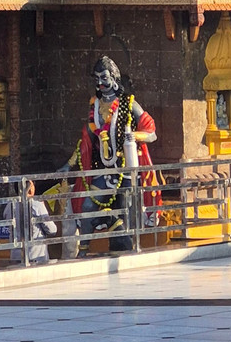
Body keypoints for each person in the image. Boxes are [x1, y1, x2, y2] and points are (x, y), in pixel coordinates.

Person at [66, 56, 161, 254]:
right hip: (103, 171)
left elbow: (152, 132)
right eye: (97, 79)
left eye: (104, 78)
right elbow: (86, 140)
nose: (100, 83)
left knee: (126, 213)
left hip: (125, 172)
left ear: (114, 78)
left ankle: (128, 249)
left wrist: (134, 135)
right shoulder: (95, 105)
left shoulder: (128, 103)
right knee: (87, 206)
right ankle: (83, 250)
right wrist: (69, 164)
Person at [3, 180, 57, 264]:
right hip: (36, 257)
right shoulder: (37, 205)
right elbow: (52, 230)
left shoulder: (9, 206)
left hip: (15, 257)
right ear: (30, 189)